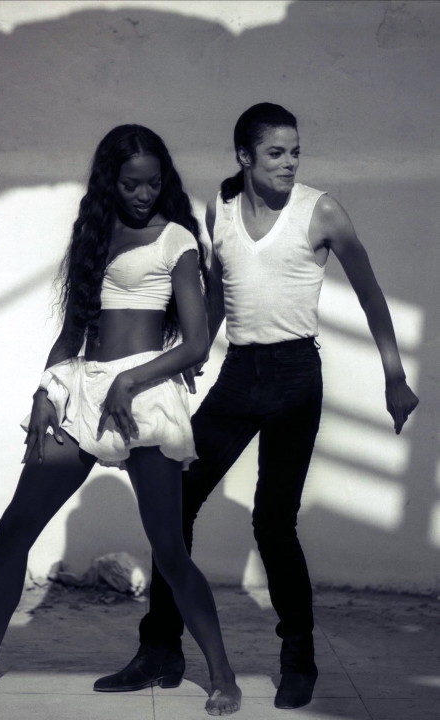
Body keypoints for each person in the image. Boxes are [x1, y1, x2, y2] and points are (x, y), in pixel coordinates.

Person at [94, 104, 419, 710]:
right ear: (244, 156)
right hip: (241, 375)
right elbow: (221, 290)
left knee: (272, 521)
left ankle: (299, 655)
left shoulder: (321, 211)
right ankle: (161, 647)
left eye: (296, 152)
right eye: (276, 153)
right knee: (179, 502)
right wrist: (195, 350)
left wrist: (394, 377)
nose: (290, 163)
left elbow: (372, 296)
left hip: (297, 376)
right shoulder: (219, 209)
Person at [0, 125, 242, 716]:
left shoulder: (175, 238)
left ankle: (224, 675)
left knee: (169, 552)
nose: (143, 193)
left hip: (145, 395)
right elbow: (73, 333)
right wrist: (44, 393)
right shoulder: (95, 236)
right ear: (110, 182)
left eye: (154, 182)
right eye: (131, 183)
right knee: (13, 530)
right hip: (83, 391)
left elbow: (198, 342)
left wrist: (131, 379)